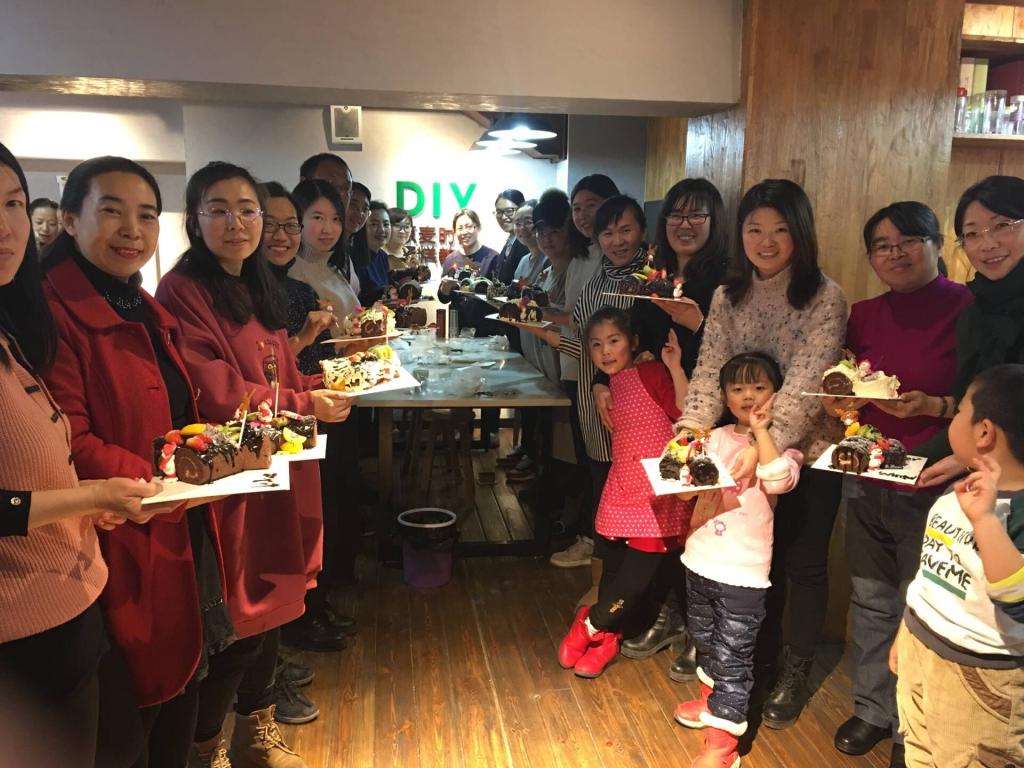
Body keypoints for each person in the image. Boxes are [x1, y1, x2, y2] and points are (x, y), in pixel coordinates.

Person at [156, 161, 352, 767]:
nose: (236, 223)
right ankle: (206, 751)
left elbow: (279, 370)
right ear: (195, 219)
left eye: (247, 211)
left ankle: (254, 733)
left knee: (274, 607)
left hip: (278, 467)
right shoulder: (183, 290)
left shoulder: (255, 281)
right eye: (219, 210)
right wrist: (304, 403)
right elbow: (214, 391)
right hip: (232, 476)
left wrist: (323, 385)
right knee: (239, 620)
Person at [42, 155, 235, 768]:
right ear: (69, 219)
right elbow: (68, 439)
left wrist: (198, 455)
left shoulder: (139, 303)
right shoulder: (52, 312)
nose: (132, 230)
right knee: (129, 717)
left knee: (182, 686)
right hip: (110, 533)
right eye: (112, 211)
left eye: (147, 215)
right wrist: (164, 478)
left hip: (169, 518)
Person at [0, 142, 158, 768]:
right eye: (112, 210)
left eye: (12, 203)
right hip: (19, 630)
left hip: (72, 601)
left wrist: (82, 506)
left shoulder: (14, 329)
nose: (5, 226)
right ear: (68, 220)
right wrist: (89, 494)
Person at [674, 178, 847, 730]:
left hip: (807, 451)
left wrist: (762, 442)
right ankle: (751, 663)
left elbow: (806, 383)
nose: (766, 241)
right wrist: (691, 429)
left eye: (780, 229)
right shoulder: (729, 294)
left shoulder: (825, 296)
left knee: (802, 561)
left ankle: (794, 668)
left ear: (801, 233)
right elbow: (710, 368)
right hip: (739, 448)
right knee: (749, 561)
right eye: (754, 229)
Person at [828, 203, 972, 768]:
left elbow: (988, 395)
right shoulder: (863, 314)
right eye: (882, 246)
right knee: (871, 598)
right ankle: (873, 709)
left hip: (936, 478)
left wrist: (935, 405)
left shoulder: (968, 308)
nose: (895, 254)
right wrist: (840, 405)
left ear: (936, 243)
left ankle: (914, 728)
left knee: (925, 608)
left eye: (908, 240)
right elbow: (847, 385)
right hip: (868, 474)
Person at [594, 178, 730, 677]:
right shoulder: (656, 276)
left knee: (703, 530)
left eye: (697, 215)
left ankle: (701, 633)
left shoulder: (727, 282)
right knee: (670, 525)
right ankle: (670, 615)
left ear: (715, 222)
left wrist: (696, 324)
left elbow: (737, 354)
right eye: (676, 214)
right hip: (658, 419)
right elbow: (626, 338)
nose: (684, 224)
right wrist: (601, 383)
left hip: (710, 416)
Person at [674, 351, 801, 768]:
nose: (749, 396)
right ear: (724, 396)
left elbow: (778, 480)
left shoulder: (783, 446)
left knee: (733, 656)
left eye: (760, 387)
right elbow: (688, 491)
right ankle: (711, 704)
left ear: (777, 393)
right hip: (699, 559)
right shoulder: (714, 436)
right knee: (705, 641)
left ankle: (722, 744)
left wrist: (762, 432)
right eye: (738, 387)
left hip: (742, 575)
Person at [893, 364, 1024, 768]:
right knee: (918, 752)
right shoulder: (962, 490)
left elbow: (1017, 599)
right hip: (923, 646)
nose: (955, 417)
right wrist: (906, 632)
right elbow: (932, 574)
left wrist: (986, 520)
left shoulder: (1012, 512)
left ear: (984, 432)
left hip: (981, 676)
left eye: (961, 408)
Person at [520, 194, 646, 601]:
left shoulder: (650, 284)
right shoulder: (596, 281)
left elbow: (640, 353)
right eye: (607, 233)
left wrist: (549, 335)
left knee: (634, 494)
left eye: (625, 230)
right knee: (600, 483)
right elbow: (589, 346)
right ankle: (605, 585)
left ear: (642, 231)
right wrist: (544, 332)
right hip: (595, 399)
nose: (616, 241)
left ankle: (627, 590)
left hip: (638, 404)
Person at [558, 307, 689, 679]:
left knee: (635, 578)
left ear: (633, 342)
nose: (605, 351)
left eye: (613, 341)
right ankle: (608, 639)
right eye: (596, 344)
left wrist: (674, 368)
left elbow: (684, 410)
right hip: (624, 484)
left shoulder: (651, 371)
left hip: (657, 492)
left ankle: (590, 624)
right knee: (614, 569)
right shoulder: (611, 384)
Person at [916, 175, 1024, 489]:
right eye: (972, 234)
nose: (987, 244)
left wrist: (968, 458)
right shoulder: (974, 315)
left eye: (1002, 225)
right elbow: (976, 401)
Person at [545, 174, 619, 572]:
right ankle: (594, 540)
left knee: (602, 459)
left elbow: (586, 324)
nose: (583, 215)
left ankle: (599, 545)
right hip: (578, 367)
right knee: (588, 457)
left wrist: (545, 323)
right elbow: (576, 318)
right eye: (577, 208)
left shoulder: (611, 262)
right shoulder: (584, 255)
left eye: (592, 206)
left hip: (602, 373)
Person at [504, 199, 549, 483]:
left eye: (528, 221)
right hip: (524, 336)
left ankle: (538, 458)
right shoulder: (524, 260)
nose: (522, 228)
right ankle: (528, 448)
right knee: (528, 395)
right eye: (518, 222)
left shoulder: (548, 259)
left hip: (543, 339)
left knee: (542, 398)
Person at [289, 179, 360, 319]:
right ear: (296, 218)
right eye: (318, 218)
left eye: (336, 219)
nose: (328, 229)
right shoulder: (292, 275)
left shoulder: (333, 267)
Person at [441, 208, 499, 277]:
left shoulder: (493, 258)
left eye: (468, 227)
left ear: (478, 227)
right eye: (460, 228)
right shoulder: (449, 260)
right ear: (455, 231)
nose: (464, 232)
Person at [354, 201, 391, 306]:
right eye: (374, 224)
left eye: (386, 224)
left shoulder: (383, 256)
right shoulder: (355, 257)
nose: (382, 230)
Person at [492, 189, 529, 285]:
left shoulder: (528, 244)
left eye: (509, 211)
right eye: (499, 212)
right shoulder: (509, 242)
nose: (503, 217)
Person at [385, 207, 417, 271]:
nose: (402, 231)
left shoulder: (410, 256)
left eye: (406, 227)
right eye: (397, 226)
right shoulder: (377, 254)